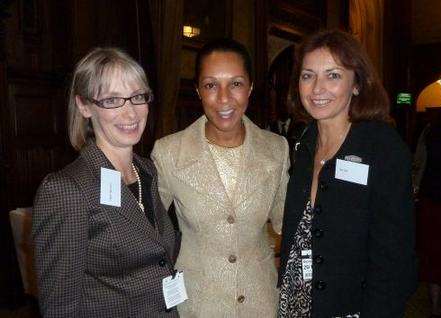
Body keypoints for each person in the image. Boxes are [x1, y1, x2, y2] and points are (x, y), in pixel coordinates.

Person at [278, 29, 417, 318]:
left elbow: (395, 261)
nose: (317, 88)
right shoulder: (304, 142)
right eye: (308, 75)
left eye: (333, 75)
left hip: (353, 308)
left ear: (356, 84)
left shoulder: (382, 148)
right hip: (297, 301)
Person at [32, 48, 179, 317]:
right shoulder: (66, 190)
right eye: (112, 100)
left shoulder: (146, 170)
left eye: (137, 97)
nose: (131, 113)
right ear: (84, 106)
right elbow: (59, 308)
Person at [151, 38, 290, 317]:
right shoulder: (169, 153)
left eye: (236, 84)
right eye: (211, 85)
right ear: (198, 90)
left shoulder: (276, 149)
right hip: (198, 303)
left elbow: (286, 221)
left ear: (250, 87)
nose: (224, 98)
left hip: (260, 302)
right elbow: (147, 232)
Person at [417, 102, 441, 318]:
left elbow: (420, 161)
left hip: (432, 199)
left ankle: (436, 308)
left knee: (433, 257)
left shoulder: (431, 131)